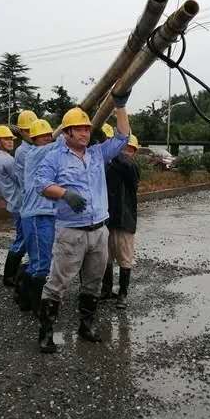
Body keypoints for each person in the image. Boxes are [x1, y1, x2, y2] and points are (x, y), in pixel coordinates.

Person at [34, 94, 132, 354]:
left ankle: (86, 326)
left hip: (99, 231)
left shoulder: (97, 154)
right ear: (66, 132)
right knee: (57, 283)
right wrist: (64, 193)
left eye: (88, 128)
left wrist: (120, 107)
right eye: (79, 128)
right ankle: (45, 333)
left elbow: (122, 137)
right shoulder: (54, 158)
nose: (85, 133)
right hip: (71, 232)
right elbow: (41, 184)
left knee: (93, 283)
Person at [18, 119, 58, 312]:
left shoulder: (48, 155)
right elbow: (60, 143)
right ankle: (36, 306)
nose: (47, 139)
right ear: (33, 139)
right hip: (35, 216)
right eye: (42, 136)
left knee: (41, 260)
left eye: (49, 135)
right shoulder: (35, 154)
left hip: (45, 213)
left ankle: (24, 299)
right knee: (41, 263)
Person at [101, 134, 140, 309]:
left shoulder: (131, 167)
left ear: (134, 152)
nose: (125, 151)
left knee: (125, 259)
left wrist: (113, 150)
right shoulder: (110, 165)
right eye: (122, 148)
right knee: (105, 258)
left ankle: (122, 294)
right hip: (107, 219)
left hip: (124, 220)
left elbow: (126, 165)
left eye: (128, 148)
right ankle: (106, 290)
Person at [0, 124, 26, 290]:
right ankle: (10, 276)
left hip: (12, 203)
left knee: (21, 238)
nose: (10, 141)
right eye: (6, 139)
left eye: (11, 138)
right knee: (22, 239)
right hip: (19, 204)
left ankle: (11, 274)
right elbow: (22, 180)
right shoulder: (8, 160)